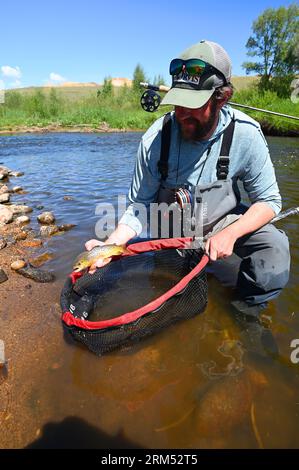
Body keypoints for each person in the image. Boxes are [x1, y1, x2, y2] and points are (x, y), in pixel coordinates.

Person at [85, 40, 290, 327]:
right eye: (178, 102)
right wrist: (110, 246)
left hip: (220, 222)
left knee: (275, 248)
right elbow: (139, 207)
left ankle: (244, 317)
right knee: (168, 291)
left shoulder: (247, 136)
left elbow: (269, 202)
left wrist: (231, 234)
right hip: (168, 227)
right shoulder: (155, 139)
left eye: (193, 105)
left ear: (222, 97)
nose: (182, 113)